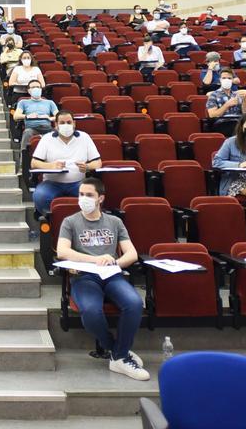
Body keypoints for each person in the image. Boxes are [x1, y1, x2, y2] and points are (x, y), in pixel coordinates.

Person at [55, 177, 149, 381]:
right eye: (81, 194)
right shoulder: (70, 222)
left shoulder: (114, 222)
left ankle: (120, 356)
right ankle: (118, 352)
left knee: (133, 303)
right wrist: (95, 259)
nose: (83, 199)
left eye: (89, 195)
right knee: (91, 311)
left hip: (112, 275)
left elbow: (131, 254)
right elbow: (62, 251)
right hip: (85, 277)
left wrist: (115, 263)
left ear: (100, 198)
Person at [30, 112, 101, 215]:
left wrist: (88, 166)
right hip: (51, 183)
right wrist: (50, 166)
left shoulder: (84, 137)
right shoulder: (47, 138)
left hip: (78, 183)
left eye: (69, 122)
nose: (66, 125)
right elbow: (34, 163)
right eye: (62, 123)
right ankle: (51, 222)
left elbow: (98, 162)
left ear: (74, 123)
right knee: (40, 196)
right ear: (56, 125)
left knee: (93, 197)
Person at [206, 69, 246, 137]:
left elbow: (245, 112)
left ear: (232, 80)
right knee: (240, 130)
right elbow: (212, 114)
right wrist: (227, 105)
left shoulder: (237, 94)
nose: (226, 80)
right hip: (222, 123)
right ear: (220, 80)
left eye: (229, 78)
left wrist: (244, 101)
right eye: (224, 78)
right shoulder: (213, 95)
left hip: (238, 122)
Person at [14, 85, 57, 151]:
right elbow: (16, 116)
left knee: (58, 133)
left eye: (38, 87)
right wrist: (27, 116)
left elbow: (59, 116)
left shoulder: (50, 102)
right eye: (33, 87)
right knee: (27, 132)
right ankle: (24, 156)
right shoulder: (23, 102)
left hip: (47, 128)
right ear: (28, 90)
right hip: (32, 129)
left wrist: (50, 118)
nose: (36, 89)